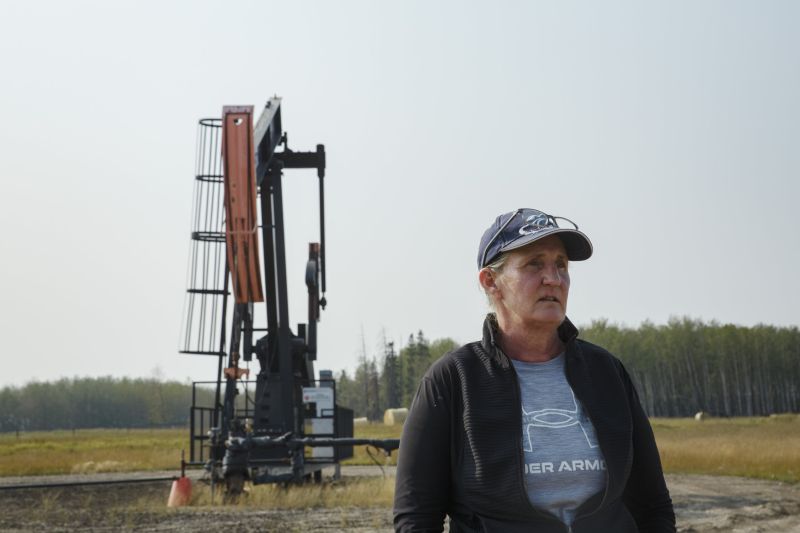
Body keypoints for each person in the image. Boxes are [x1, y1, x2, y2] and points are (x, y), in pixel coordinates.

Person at [393, 208, 675, 532]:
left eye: (561, 264)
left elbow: (653, 506)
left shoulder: (607, 374)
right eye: (534, 264)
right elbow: (415, 519)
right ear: (490, 281)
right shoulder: (454, 381)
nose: (553, 278)